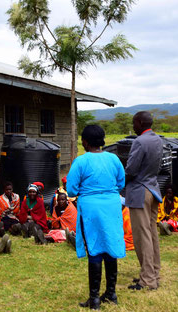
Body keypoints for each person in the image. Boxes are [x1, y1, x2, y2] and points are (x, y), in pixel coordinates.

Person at [67, 124, 126, 309]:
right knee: (109, 244)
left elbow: (71, 189)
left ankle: (94, 299)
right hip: (112, 205)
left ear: (84, 141)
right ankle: (111, 293)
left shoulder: (81, 161)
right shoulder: (114, 159)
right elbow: (121, 182)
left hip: (91, 208)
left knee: (94, 248)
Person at [124, 111, 163, 291]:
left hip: (139, 192)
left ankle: (147, 280)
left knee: (142, 236)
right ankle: (153, 273)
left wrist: (119, 181)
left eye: (134, 123)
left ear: (140, 123)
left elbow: (131, 170)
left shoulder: (139, 141)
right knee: (152, 232)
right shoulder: (157, 139)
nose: (133, 126)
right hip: (153, 189)